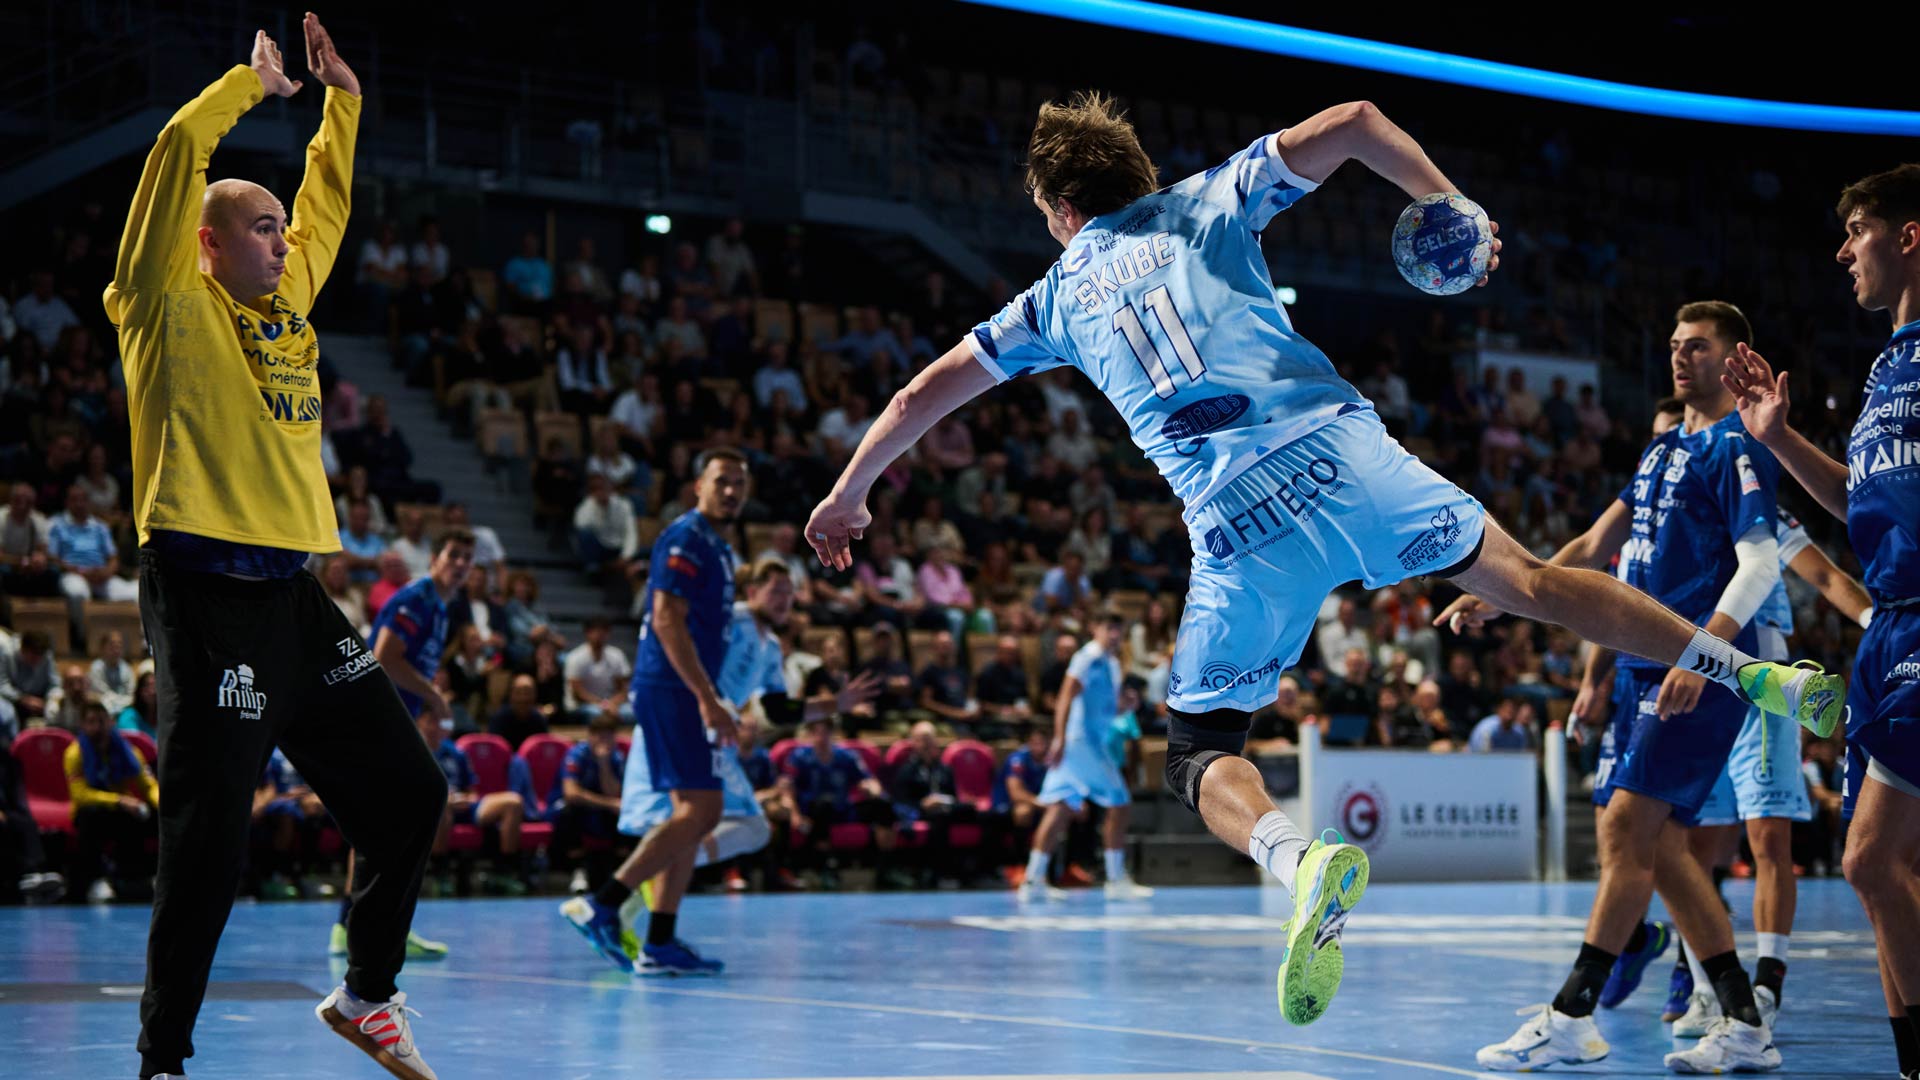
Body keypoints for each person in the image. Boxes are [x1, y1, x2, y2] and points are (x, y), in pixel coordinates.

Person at [802, 91, 1838, 1031]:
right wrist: (1450, 205)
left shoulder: (1050, 300)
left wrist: (850, 494)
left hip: (1235, 524)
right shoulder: (1204, 198)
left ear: (1058, 209)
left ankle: (1300, 862)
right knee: (1532, 586)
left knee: (1198, 750)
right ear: (1133, 178)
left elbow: (914, 401)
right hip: (1340, 453)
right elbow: (1351, 122)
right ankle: (1746, 671)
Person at [102, 21, 443, 1077]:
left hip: (294, 600)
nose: (282, 240)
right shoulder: (161, 302)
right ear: (204, 242)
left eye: (280, 227)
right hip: (203, 598)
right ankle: (165, 1060)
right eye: (259, 226)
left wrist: (341, 103)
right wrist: (246, 90)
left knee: (408, 796)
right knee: (208, 847)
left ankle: (367, 997)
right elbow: (172, 159)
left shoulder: (286, 307)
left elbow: (328, 206)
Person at [1466, 303, 1789, 1071]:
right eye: (1675, 345)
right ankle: (1745, 1023)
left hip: (1694, 669)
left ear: (1731, 355)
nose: (1681, 357)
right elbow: (1589, 551)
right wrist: (1505, 588)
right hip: (1641, 667)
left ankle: (1572, 1013)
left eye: (1698, 346)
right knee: (1664, 851)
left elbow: (1762, 564)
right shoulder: (1659, 450)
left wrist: (1701, 655)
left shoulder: (1735, 446)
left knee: (1623, 835)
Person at [1721, 163, 1920, 1080]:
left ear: (1908, 235)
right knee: (1879, 870)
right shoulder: (1886, 370)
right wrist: (1775, 436)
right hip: (1887, 634)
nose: (1843, 252)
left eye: (1858, 232)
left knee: (1874, 862)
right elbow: (1860, 501)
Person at [612, 559, 876, 951]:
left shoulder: (770, 647)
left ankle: (645, 907)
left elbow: (778, 709)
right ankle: (627, 903)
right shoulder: (727, 620)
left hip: (713, 736)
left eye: (789, 593)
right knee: (715, 823)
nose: (785, 600)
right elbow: (676, 640)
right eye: (776, 590)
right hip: (687, 726)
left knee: (724, 827)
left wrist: (834, 704)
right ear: (751, 592)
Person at [560, 449, 751, 976]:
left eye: (739, 482)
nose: (731, 491)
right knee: (703, 812)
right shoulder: (687, 537)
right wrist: (706, 698)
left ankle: (660, 940)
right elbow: (667, 620)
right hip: (672, 688)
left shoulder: (718, 545)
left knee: (688, 816)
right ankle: (601, 904)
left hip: (683, 690)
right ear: (698, 486)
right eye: (722, 481)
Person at [332, 528, 478, 956]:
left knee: (381, 824)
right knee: (403, 818)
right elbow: (384, 657)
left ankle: (354, 927)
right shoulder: (418, 598)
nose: (460, 564)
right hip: (376, 721)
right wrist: (433, 695)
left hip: (393, 722)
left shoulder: (442, 609)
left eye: (467, 558)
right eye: (453, 555)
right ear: (434, 558)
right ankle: (373, 927)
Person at [1016, 611, 1150, 902]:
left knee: (1061, 807)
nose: (1114, 634)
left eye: (1118, 629)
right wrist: (1060, 738)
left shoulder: (1114, 664)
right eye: (1109, 628)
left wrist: (1125, 705)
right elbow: (1065, 697)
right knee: (1121, 802)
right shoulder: (1086, 657)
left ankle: (1032, 880)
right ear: (1095, 629)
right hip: (1080, 744)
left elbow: (1106, 709)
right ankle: (1115, 880)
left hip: (1090, 743)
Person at [66, 699, 160, 903]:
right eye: (91, 722)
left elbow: (148, 785)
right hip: (92, 811)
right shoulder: (74, 753)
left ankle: (137, 878)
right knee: (90, 816)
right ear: (83, 725)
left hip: (122, 811)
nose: (98, 727)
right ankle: (95, 880)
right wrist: (118, 800)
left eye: (102, 721)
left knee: (155, 816)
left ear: (110, 722)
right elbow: (80, 794)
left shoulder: (130, 752)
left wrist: (161, 803)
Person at [552, 711, 627, 894]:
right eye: (599, 736)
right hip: (575, 808)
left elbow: (615, 793)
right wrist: (608, 803)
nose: (603, 741)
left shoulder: (615, 758)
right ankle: (577, 869)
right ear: (590, 736)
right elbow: (571, 794)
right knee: (568, 812)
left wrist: (603, 765)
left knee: (624, 812)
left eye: (608, 736)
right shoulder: (576, 755)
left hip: (599, 809)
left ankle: (619, 870)